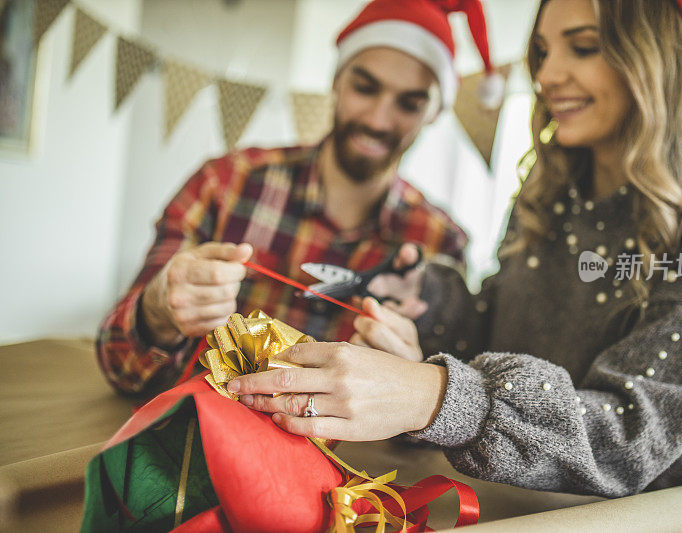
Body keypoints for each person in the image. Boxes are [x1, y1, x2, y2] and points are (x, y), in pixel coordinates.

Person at [225, 0, 682, 498]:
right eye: (541, 51)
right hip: (503, 506)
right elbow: (491, 330)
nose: (546, 75)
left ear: (659, 61)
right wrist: (429, 299)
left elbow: (628, 435)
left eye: (583, 47)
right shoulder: (547, 199)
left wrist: (435, 395)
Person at [97, 0, 507, 396]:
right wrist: (157, 311)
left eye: (409, 103)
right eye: (365, 88)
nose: (379, 119)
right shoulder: (225, 184)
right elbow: (118, 364)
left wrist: (414, 391)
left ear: (433, 112)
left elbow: (438, 431)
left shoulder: (440, 245)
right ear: (337, 80)